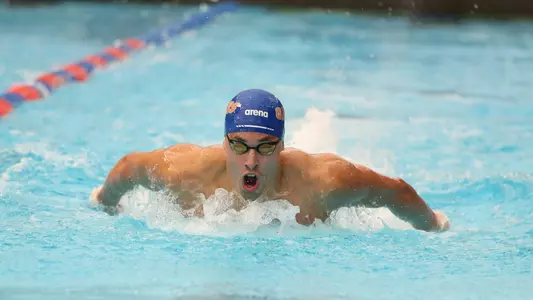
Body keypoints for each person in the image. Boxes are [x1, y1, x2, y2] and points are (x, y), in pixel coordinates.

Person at [90, 89, 450, 232]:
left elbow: (395, 192)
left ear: (280, 147)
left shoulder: (324, 183)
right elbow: (128, 169)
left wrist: (433, 224)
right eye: (239, 145)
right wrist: (104, 203)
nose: (250, 160)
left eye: (264, 147)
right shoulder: (185, 173)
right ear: (224, 143)